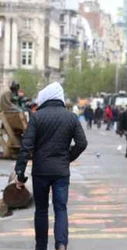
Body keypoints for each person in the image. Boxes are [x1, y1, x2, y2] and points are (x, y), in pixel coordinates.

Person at [14, 82, 88, 250]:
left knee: (41, 210)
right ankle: (61, 244)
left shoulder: (37, 117)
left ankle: (41, 246)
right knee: (61, 208)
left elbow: (26, 147)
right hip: (61, 171)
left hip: (40, 171)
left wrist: (20, 173)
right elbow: (82, 143)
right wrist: (68, 157)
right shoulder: (71, 117)